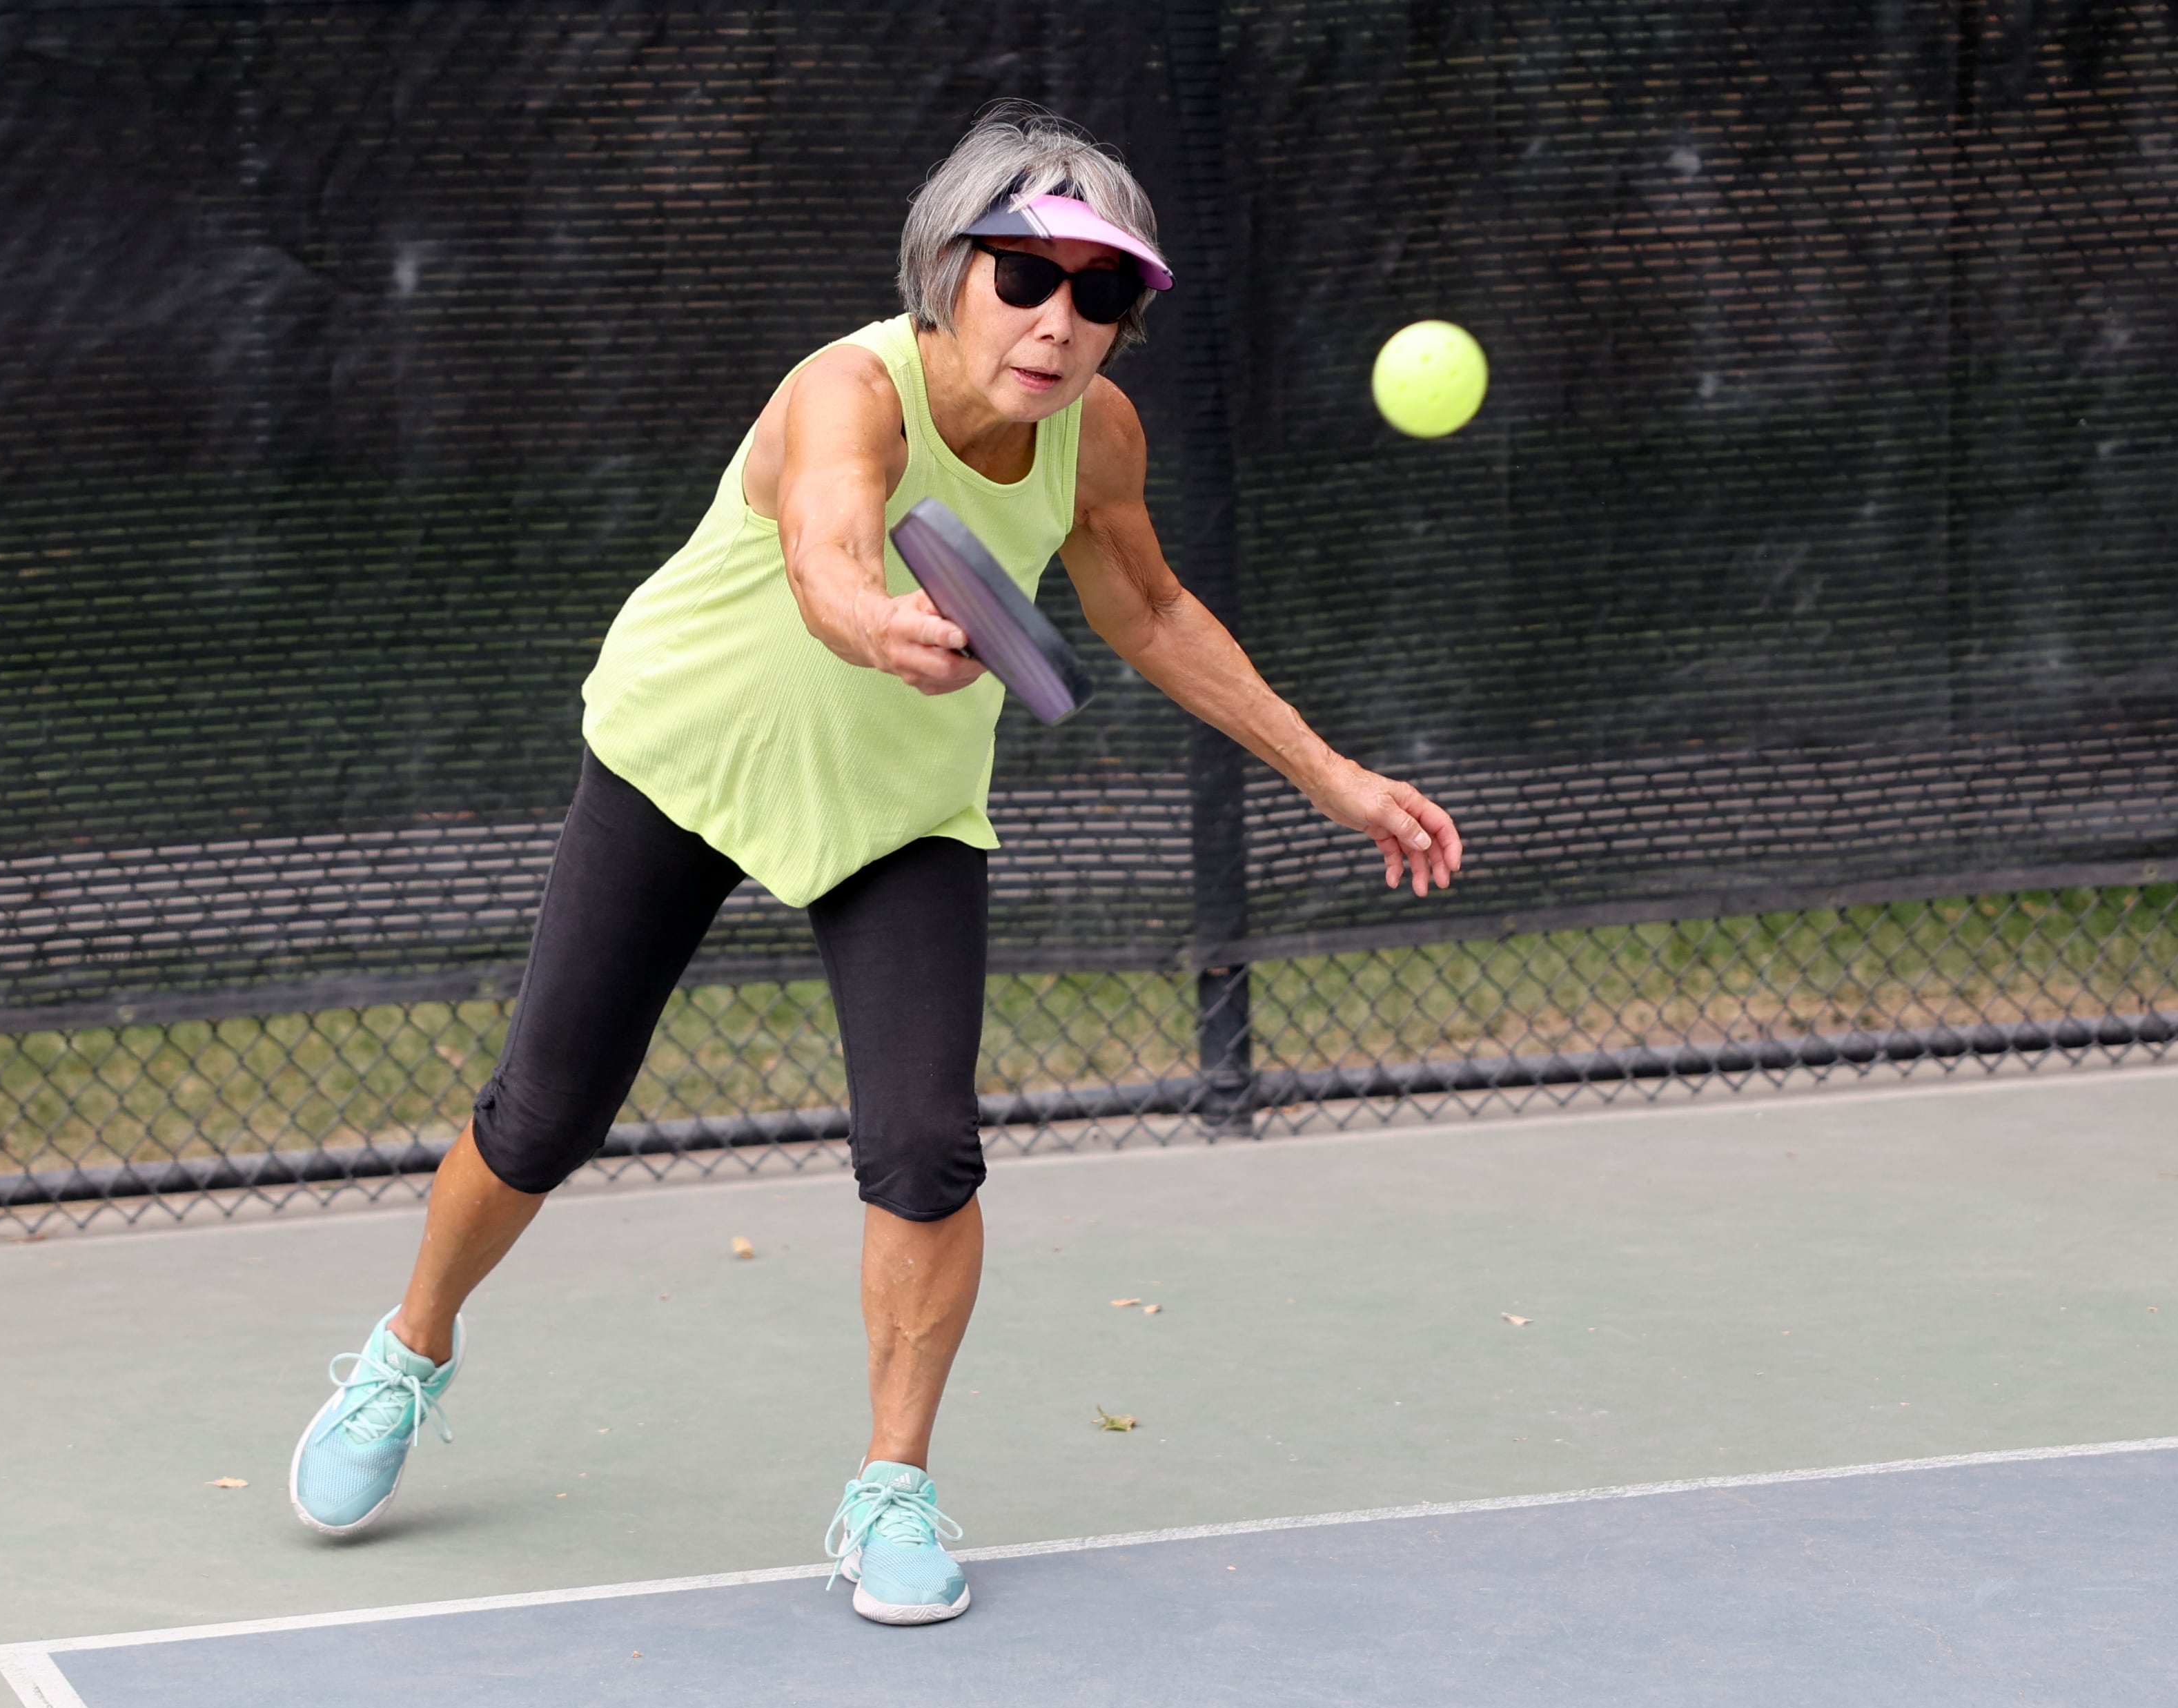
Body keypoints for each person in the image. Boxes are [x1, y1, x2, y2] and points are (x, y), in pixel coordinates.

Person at [286, 103, 1463, 1625]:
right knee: (544, 1114)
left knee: (925, 1147)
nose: (1057, 321)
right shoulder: (849, 390)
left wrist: (1336, 775)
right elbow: (828, 547)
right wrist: (881, 624)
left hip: (897, 807)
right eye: (1024, 277)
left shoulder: (1094, 434)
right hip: (685, 762)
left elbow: (1153, 612)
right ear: (948, 272)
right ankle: (412, 1346)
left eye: (1100, 295)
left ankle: (891, 1483)